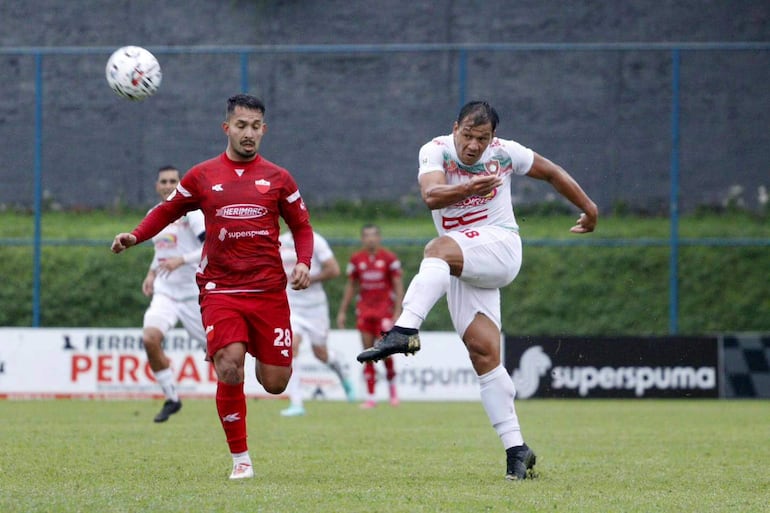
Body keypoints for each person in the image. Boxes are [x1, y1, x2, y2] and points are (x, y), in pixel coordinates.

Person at [357, 101, 598, 480]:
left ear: (492, 138)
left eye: (481, 138)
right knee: (484, 354)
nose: (473, 145)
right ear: (455, 128)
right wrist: (470, 186)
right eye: (467, 135)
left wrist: (588, 207)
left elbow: (551, 172)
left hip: (500, 247)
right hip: (465, 260)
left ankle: (403, 331)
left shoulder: (504, 153)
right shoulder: (434, 151)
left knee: (435, 249)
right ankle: (517, 450)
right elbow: (431, 196)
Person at [112, 94, 314, 480]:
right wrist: (136, 236)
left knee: (275, 382)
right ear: (227, 128)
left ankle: (260, 349)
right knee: (229, 366)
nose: (249, 133)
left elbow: (301, 227)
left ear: (264, 130)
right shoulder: (203, 175)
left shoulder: (279, 178)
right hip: (220, 289)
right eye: (241, 126)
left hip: (269, 292)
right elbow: (167, 210)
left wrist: (303, 262)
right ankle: (241, 459)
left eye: (256, 127)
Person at [140, 165, 206, 423]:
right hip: (166, 293)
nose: (168, 185)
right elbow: (161, 251)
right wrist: (151, 273)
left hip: (193, 295)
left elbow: (211, 246)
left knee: (221, 355)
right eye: (163, 181)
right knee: (150, 338)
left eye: (173, 181)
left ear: (180, 185)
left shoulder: (193, 213)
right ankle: (172, 398)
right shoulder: (154, 214)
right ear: (157, 186)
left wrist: (183, 260)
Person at [278, 229, 355, 417]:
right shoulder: (279, 241)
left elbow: (333, 269)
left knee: (321, 354)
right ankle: (297, 403)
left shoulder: (315, 240)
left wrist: (308, 279)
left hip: (315, 309)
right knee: (291, 345)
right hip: (291, 306)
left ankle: (343, 375)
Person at [337, 224, 404, 409]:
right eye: (367, 236)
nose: (371, 239)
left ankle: (393, 392)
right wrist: (343, 311)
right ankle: (371, 397)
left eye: (374, 235)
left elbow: (398, 285)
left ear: (379, 238)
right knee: (367, 353)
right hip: (365, 312)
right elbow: (351, 286)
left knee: (385, 352)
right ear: (362, 239)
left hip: (384, 313)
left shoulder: (389, 258)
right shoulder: (357, 259)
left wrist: (398, 312)